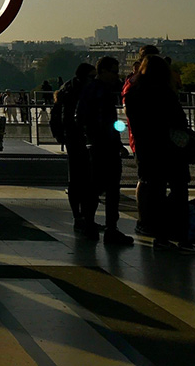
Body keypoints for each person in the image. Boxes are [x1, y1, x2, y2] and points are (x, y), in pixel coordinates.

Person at [124, 55, 195, 253]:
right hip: (171, 150)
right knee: (179, 193)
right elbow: (179, 122)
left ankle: (160, 237)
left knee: (156, 194)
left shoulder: (134, 93)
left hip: (148, 150)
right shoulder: (166, 93)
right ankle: (182, 239)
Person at [76, 57, 133, 246]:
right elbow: (106, 122)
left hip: (96, 144)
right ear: (105, 71)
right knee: (112, 189)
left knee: (94, 187)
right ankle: (111, 229)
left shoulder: (91, 90)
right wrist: (115, 142)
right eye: (115, 72)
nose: (117, 76)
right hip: (105, 145)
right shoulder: (103, 92)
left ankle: (89, 224)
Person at [51, 62, 95, 230]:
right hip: (77, 137)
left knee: (77, 179)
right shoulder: (80, 92)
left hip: (72, 137)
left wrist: (59, 135)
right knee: (84, 179)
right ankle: (83, 216)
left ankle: (80, 217)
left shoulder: (68, 90)